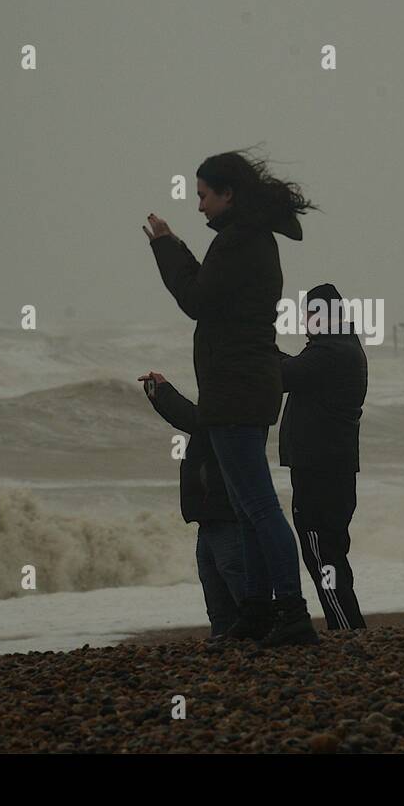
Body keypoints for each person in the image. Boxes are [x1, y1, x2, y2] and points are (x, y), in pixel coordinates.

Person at [143, 148, 318, 647]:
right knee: (246, 508)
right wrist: (175, 244)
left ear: (228, 194)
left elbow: (196, 300)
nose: (198, 206)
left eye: (203, 195)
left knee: (258, 507)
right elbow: (209, 291)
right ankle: (259, 611)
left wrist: (164, 248)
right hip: (243, 386)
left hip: (236, 390)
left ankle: (292, 612)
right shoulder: (245, 240)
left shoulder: (242, 241)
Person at [278, 283, 368, 630]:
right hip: (334, 468)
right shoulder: (342, 347)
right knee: (330, 551)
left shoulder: (330, 351)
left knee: (321, 552)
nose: (305, 321)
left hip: (320, 469)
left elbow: (283, 374)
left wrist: (254, 346)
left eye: (311, 314)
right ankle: (347, 623)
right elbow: (294, 367)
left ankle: (344, 627)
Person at [137, 370, 246, 639]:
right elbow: (188, 418)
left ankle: (252, 634)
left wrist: (162, 390)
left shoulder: (229, 410)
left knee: (233, 578)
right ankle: (226, 637)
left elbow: (190, 417)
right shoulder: (219, 409)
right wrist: (158, 393)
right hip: (210, 514)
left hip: (223, 513)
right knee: (214, 584)